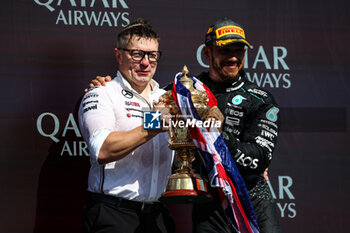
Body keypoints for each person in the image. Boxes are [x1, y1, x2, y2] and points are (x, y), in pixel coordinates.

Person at [87, 18, 282, 233]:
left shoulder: (260, 99)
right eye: (225, 50)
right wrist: (104, 85)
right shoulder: (180, 93)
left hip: (252, 201)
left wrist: (218, 135)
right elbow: (137, 95)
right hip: (207, 208)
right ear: (208, 53)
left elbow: (258, 158)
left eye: (240, 51)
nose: (233, 57)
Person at [78, 19, 175, 233]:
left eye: (152, 55)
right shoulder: (101, 93)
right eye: (137, 54)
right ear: (118, 55)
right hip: (114, 214)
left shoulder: (170, 98)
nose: (145, 63)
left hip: (159, 217)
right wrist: (154, 124)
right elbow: (102, 149)